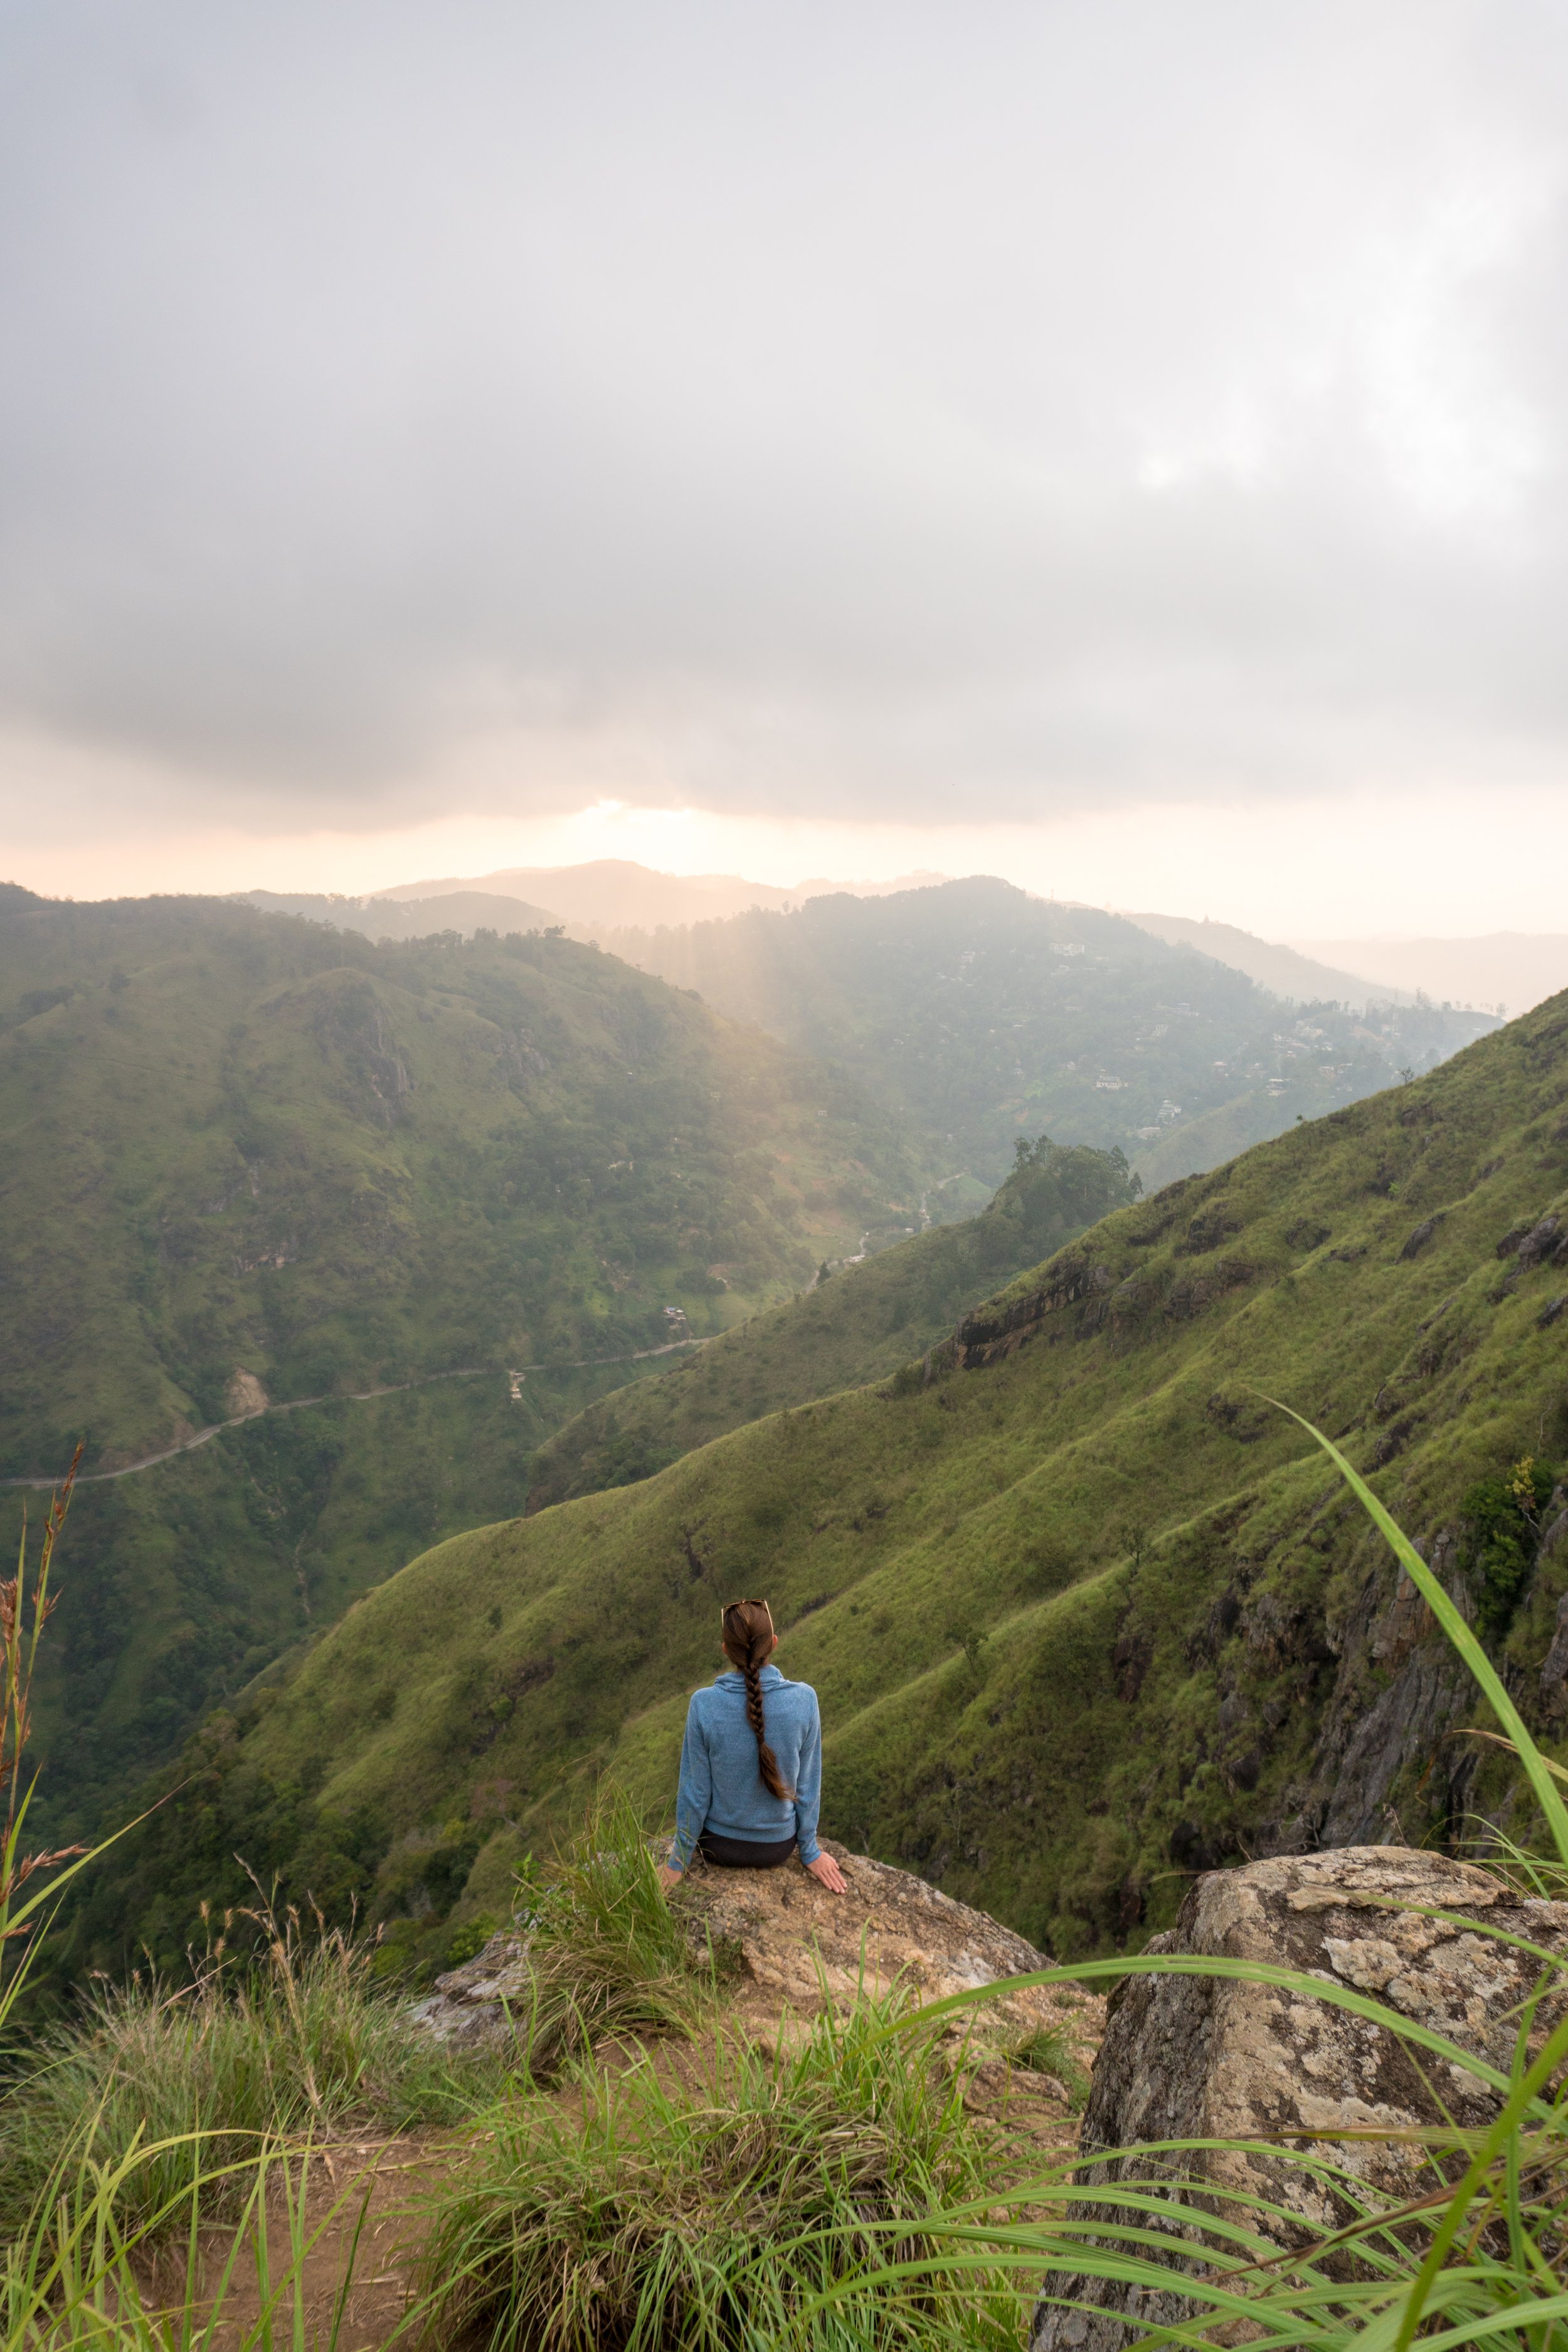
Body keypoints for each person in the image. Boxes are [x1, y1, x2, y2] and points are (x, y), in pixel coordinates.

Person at [657, 1599, 849, 1892]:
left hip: (717, 1847)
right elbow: (808, 1786)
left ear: (726, 1650)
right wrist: (809, 1850)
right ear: (773, 1643)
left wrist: (677, 1863)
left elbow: (695, 1792)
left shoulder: (703, 1704)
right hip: (778, 1848)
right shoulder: (805, 1700)